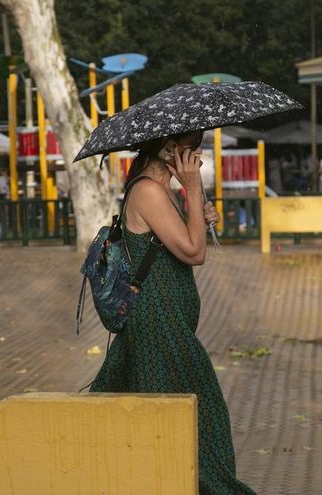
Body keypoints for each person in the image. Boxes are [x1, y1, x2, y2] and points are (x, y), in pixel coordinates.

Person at [88, 130, 256, 495]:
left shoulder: (161, 190)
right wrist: (193, 189)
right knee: (196, 419)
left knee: (181, 418)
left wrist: (199, 213)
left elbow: (184, 240)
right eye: (191, 147)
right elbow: (194, 252)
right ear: (167, 149)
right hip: (156, 324)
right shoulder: (148, 190)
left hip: (170, 323)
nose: (197, 155)